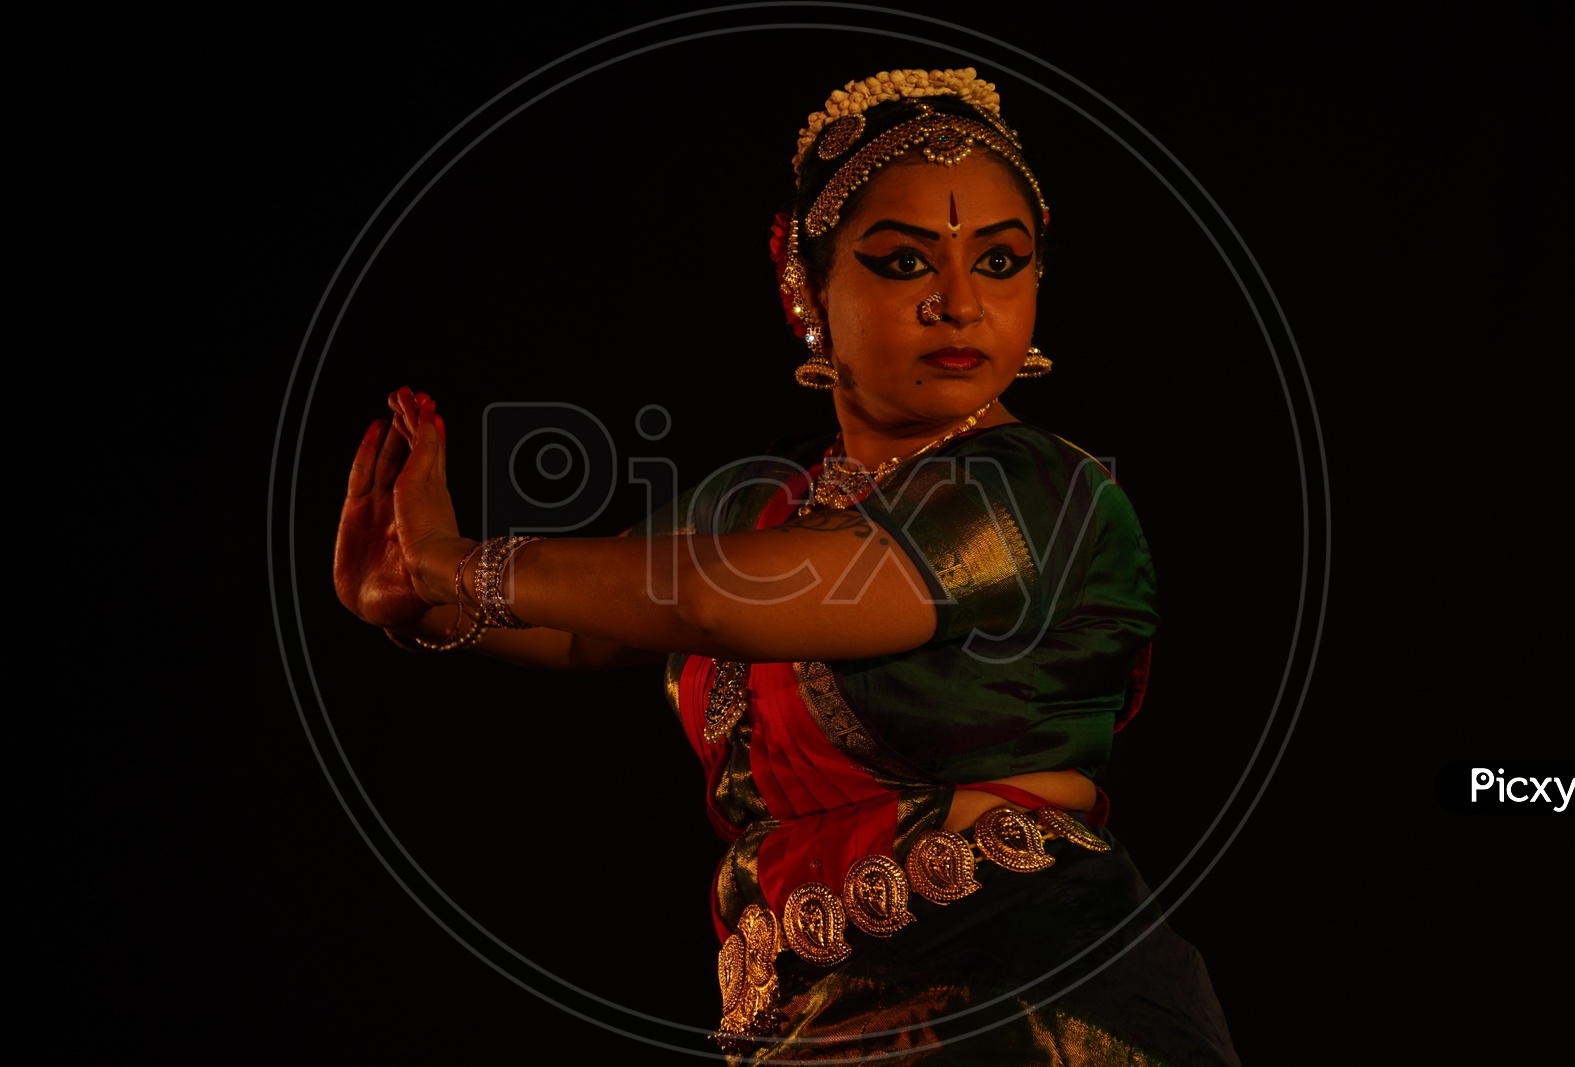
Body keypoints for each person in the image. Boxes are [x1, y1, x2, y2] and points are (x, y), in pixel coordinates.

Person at [335, 68, 1239, 1065]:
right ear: (801, 284)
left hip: (1024, 998)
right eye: (903, 263)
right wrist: (418, 595)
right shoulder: (763, 499)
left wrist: (465, 562)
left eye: (1000, 261)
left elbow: (719, 600)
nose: (958, 304)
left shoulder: (1043, 491)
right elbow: (589, 622)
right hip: (815, 1016)